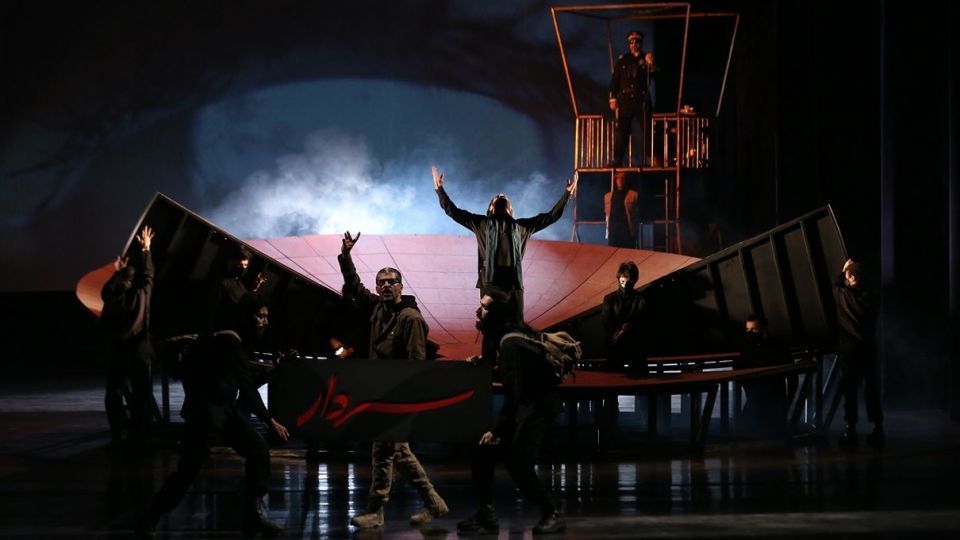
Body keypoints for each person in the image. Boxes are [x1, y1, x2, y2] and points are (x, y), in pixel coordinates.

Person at [136, 302, 290, 538]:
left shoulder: (222, 341)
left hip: (221, 413)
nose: (265, 322)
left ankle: (253, 517)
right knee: (187, 472)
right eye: (261, 316)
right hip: (206, 416)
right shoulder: (230, 343)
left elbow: (241, 379)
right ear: (247, 318)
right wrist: (270, 421)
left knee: (257, 451)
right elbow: (247, 386)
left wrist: (269, 372)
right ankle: (150, 517)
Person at [338, 231, 448, 528]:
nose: (386, 285)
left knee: (384, 452)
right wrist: (346, 256)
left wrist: (405, 403)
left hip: (398, 398)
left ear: (401, 286)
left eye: (391, 281)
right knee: (397, 452)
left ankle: (376, 510)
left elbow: (416, 364)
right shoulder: (379, 309)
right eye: (381, 282)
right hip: (382, 393)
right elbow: (354, 286)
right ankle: (433, 503)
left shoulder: (410, 319)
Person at [456, 288, 566, 535]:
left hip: (536, 408)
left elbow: (514, 393)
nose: (478, 311)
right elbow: (518, 377)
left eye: (485, 307)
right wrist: (489, 367)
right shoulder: (510, 339)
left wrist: (497, 430)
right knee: (483, 452)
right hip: (530, 405)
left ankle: (552, 513)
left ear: (497, 314)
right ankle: (486, 514)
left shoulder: (510, 345)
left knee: (519, 463)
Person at [432, 166, 575, 321]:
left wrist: (567, 195)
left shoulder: (518, 227)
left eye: (503, 197)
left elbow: (551, 216)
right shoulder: (486, 224)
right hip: (498, 286)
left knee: (510, 327)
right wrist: (440, 190)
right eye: (497, 198)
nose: (501, 195)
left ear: (510, 209)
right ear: (491, 208)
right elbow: (453, 211)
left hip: (509, 286)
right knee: (495, 326)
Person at [100, 225, 155, 450]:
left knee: (113, 393)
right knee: (141, 396)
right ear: (133, 282)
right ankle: (137, 437)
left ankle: (116, 435)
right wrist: (146, 250)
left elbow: (107, 290)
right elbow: (148, 275)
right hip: (138, 352)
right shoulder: (141, 294)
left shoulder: (111, 298)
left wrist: (117, 273)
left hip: (116, 352)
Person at [833, 258, 883, 447]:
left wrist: (843, 269)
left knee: (850, 390)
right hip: (869, 348)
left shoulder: (843, 295)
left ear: (851, 277)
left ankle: (851, 430)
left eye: (848, 275)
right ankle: (878, 429)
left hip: (850, 350)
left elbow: (836, 284)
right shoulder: (873, 297)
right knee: (872, 390)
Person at [736, 314, 791, 436]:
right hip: (755, 396)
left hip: (772, 397)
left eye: (754, 329)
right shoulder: (747, 347)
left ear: (764, 329)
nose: (750, 333)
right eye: (748, 330)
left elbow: (789, 373)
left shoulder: (777, 347)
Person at [609, 30, 657, 168]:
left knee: (648, 129)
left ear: (641, 43)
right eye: (631, 42)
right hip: (625, 100)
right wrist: (612, 98)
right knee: (622, 130)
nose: (634, 45)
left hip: (641, 98)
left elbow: (656, 75)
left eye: (637, 42)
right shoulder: (623, 60)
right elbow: (615, 80)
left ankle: (653, 156)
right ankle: (617, 159)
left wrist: (651, 64)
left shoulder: (646, 59)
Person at [207, 244, 267, 335]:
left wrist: (256, 287)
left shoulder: (239, 285)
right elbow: (211, 311)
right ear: (231, 263)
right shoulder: (222, 283)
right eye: (240, 265)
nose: (243, 268)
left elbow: (244, 304)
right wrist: (210, 333)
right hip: (220, 331)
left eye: (245, 265)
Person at [601, 261, 646, 373]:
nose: (625, 285)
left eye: (629, 282)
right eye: (623, 281)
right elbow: (607, 322)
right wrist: (620, 333)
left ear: (634, 281)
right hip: (616, 346)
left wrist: (626, 329)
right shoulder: (609, 299)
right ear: (618, 278)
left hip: (634, 347)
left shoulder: (640, 299)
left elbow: (643, 321)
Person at [604, 170, 641, 248]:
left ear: (625, 180)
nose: (620, 181)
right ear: (615, 180)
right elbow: (606, 215)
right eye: (618, 178)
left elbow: (638, 214)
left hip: (627, 235)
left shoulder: (633, 195)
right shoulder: (608, 197)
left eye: (622, 178)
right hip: (613, 235)